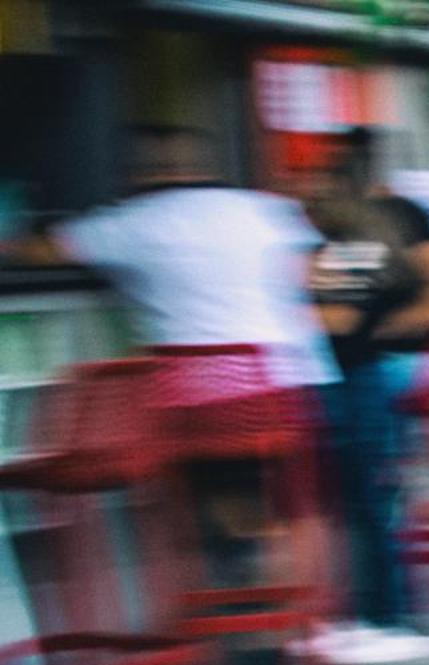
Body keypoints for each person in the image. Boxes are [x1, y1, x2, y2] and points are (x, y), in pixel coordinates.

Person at [5, 124, 337, 595]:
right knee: (277, 494)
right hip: (285, 390)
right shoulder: (267, 210)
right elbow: (309, 277)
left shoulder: (136, 222)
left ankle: (236, 582)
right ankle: (293, 607)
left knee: (206, 486)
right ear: (205, 166)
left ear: (141, 173)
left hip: (198, 410)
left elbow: (41, 250)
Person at [294, 129, 429, 665]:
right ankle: (378, 615)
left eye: (314, 186)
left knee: (369, 501)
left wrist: (290, 311)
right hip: (357, 376)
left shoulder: (353, 245)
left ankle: (392, 618)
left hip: (357, 379)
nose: (305, 197)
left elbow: (340, 318)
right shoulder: (365, 239)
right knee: (366, 501)